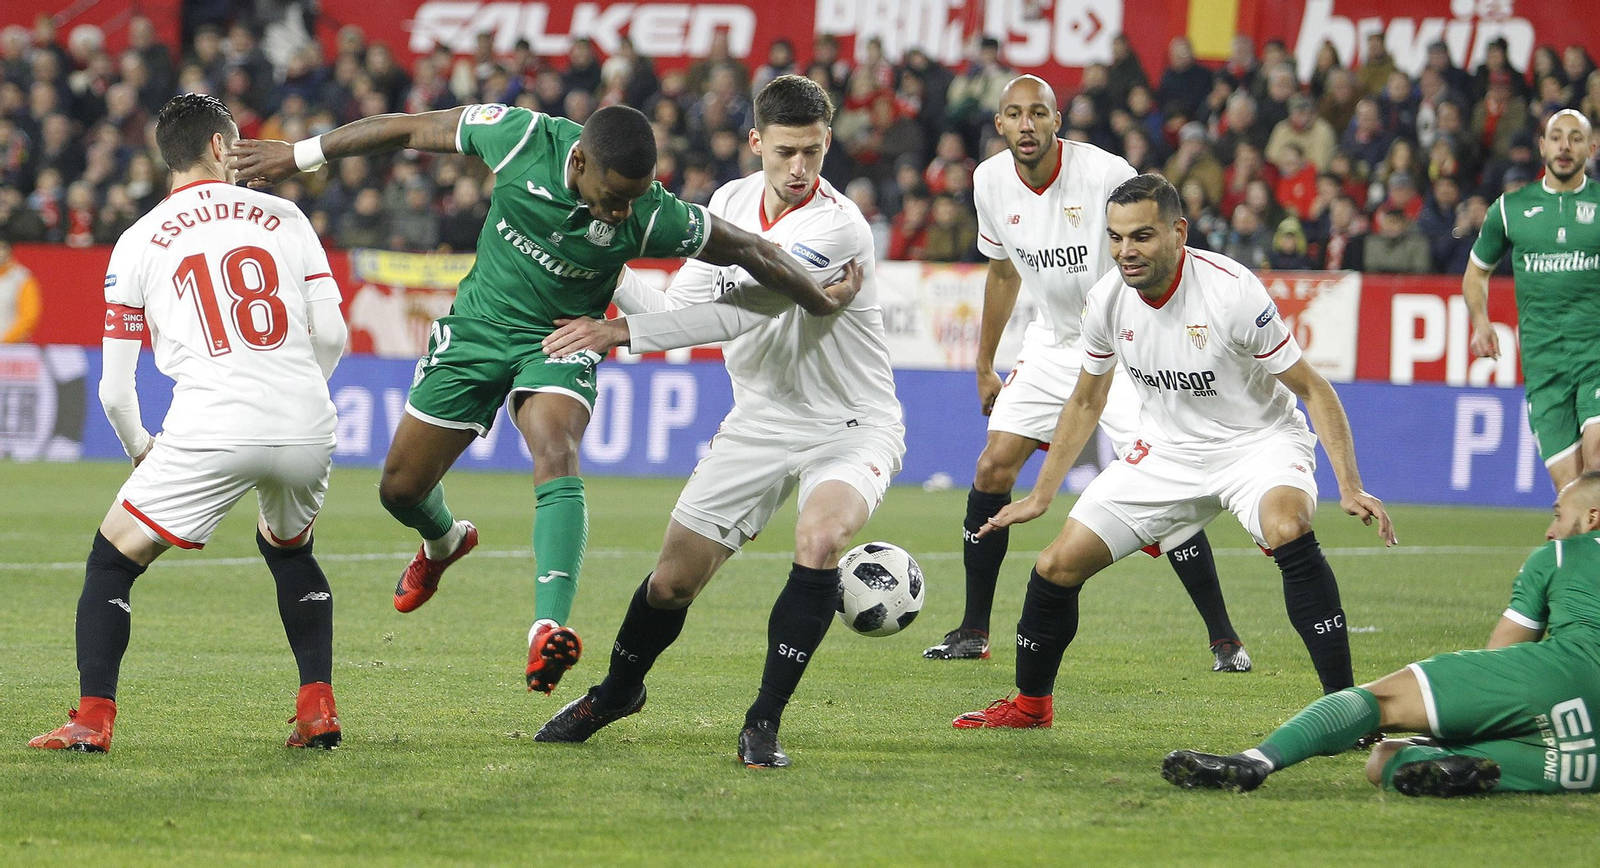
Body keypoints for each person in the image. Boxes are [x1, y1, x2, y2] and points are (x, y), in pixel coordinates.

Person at [226, 102, 855, 697]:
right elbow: (412, 129)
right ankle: (445, 542)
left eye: (632, 202)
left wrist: (819, 297)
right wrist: (300, 155)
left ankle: (546, 628)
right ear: (579, 162)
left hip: (560, 340)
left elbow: (751, 249)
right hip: (476, 331)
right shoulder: (522, 139)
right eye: (612, 199)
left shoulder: (651, 213)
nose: (619, 216)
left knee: (556, 447)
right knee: (399, 490)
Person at [528, 76, 899, 768]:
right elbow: (676, 307)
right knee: (671, 582)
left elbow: (747, 311)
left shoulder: (838, 225)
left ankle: (763, 723)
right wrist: (600, 267)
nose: (800, 169)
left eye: (814, 153)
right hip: (759, 420)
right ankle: (616, 692)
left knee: (819, 539)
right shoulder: (728, 203)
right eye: (787, 152)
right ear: (756, 142)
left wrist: (618, 336)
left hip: (852, 423)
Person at [952, 174, 1396, 731]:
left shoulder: (1231, 291)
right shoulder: (1108, 300)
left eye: (1141, 237)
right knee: (1055, 565)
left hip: (1256, 445)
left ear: (1178, 231)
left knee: (1287, 526)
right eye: (1114, 238)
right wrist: (1042, 495)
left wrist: (1349, 485)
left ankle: (1344, 708)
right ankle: (1029, 707)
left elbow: (1314, 389)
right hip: (1165, 453)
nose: (1125, 252)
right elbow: (1086, 401)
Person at [28, 94, 350, 752]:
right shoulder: (286, 216)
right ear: (215, 147)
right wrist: (295, 393)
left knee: (113, 561)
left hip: (211, 424)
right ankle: (318, 705)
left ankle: (93, 719)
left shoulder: (138, 240)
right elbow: (335, 333)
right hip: (305, 417)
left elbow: (117, 390)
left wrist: (142, 449)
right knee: (291, 551)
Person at [923, 76, 1250, 673]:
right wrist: (982, 363)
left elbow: (1162, 239)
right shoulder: (988, 182)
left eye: (1038, 114)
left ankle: (1224, 637)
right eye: (1014, 115)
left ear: (1057, 122)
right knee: (992, 466)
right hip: (1052, 341)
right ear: (999, 125)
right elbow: (1001, 275)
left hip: (1123, 345)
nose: (1026, 125)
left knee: (1158, 483)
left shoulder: (1104, 174)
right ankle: (972, 628)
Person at [1165, 472, 1600, 797]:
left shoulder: (1562, 553)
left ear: (1593, 516)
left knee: (1379, 702)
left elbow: (1504, 652)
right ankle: (1450, 767)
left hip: (1564, 673)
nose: (1551, 529)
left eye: (1560, 515)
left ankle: (1253, 762)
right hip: (1589, 753)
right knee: (1386, 760)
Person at [1464, 109, 1600, 492]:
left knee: (1598, 463)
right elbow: (1477, 272)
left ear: (1591, 148)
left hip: (1596, 357)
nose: (1565, 146)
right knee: (1573, 497)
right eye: (1556, 137)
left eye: (1575, 138)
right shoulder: (1510, 209)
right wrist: (1480, 321)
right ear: (1542, 146)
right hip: (1545, 368)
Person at [0, 236, 41, 342]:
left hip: (14, 348)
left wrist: (5, 339)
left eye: (3, 248)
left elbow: (28, 317)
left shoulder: (22, 278)